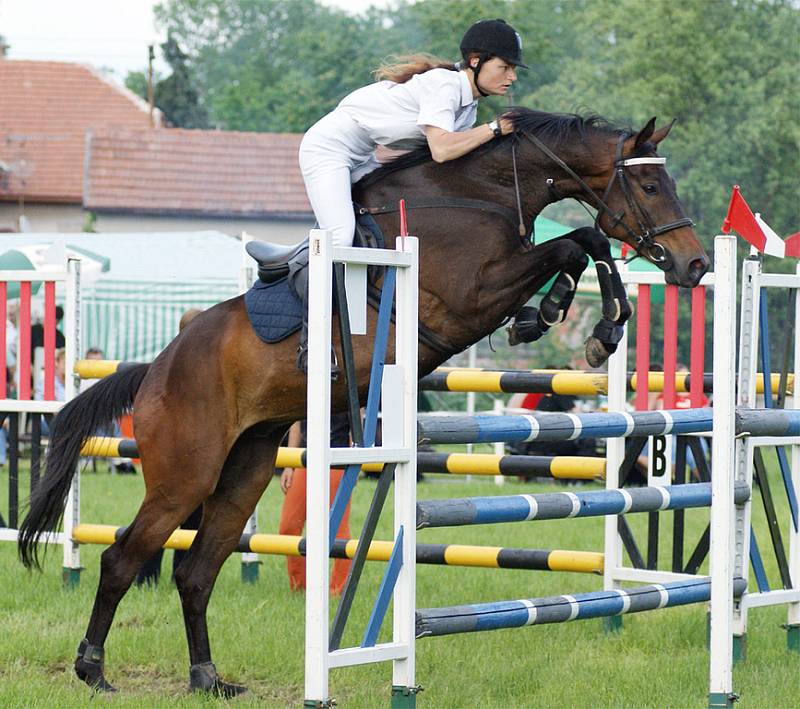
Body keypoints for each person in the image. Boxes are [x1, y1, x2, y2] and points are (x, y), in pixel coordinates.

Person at [296, 18, 526, 370]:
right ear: (477, 60)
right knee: (340, 236)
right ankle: (312, 338)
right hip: (327, 149)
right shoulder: (445, 86)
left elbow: (449, 168)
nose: (511, 77)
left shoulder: (468, 108)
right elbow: (443, 151)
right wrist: (495, 130)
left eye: (513, 69)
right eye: (505, 67)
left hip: (363, 156)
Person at [278, 413, 352, 594]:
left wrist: (354, 463)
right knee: (287, 527)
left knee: (337, 528)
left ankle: (337, 589)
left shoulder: (348, 384)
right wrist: (289, 463)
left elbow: (357, 421)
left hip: (338, 457)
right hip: (305, 457)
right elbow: (296, 421)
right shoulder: (304, 383)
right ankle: (299, 586)